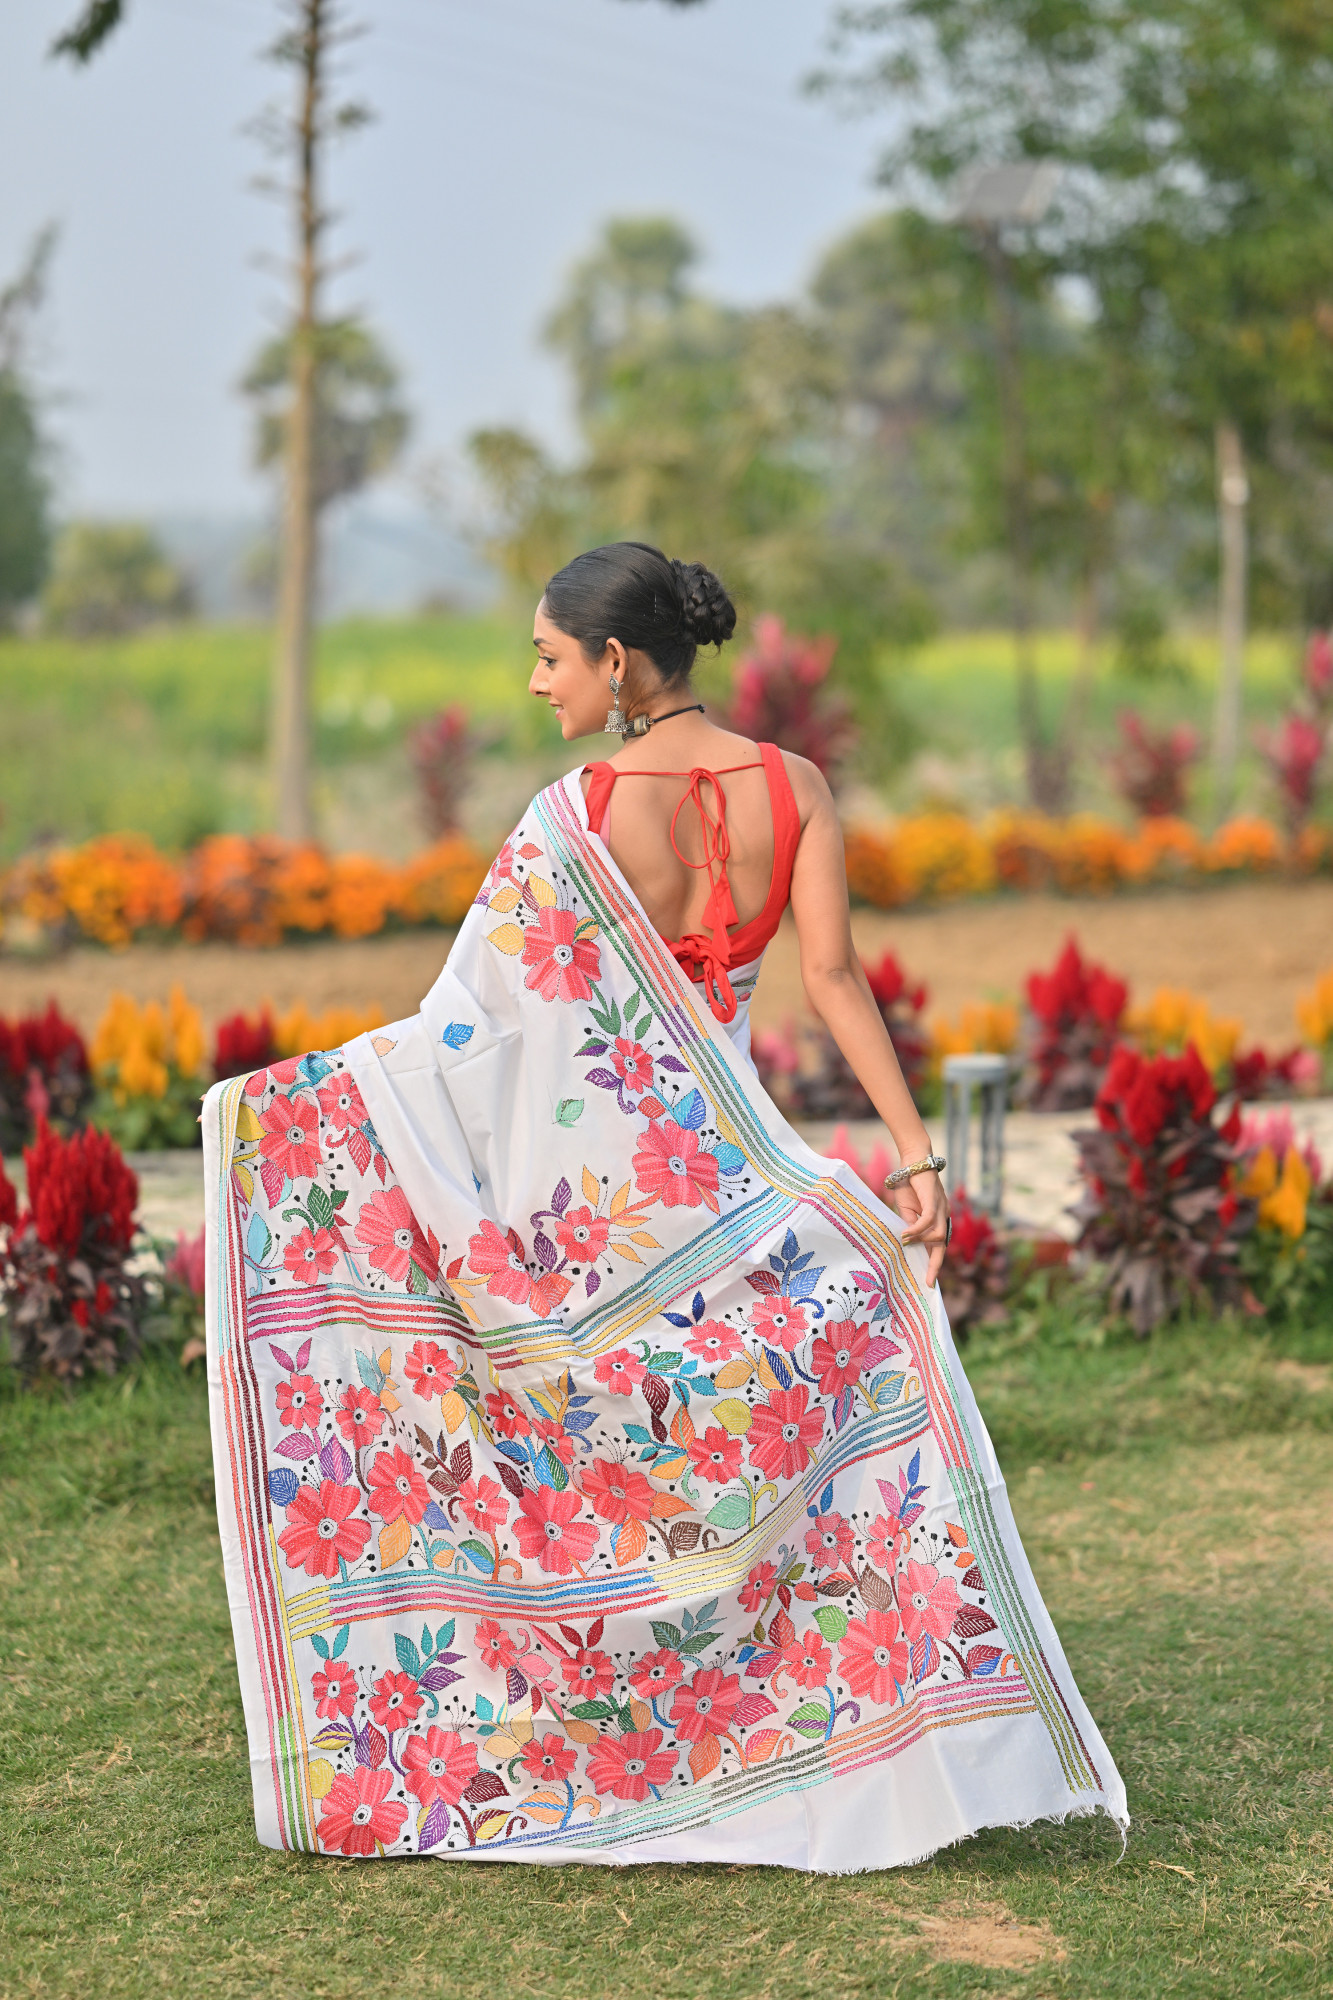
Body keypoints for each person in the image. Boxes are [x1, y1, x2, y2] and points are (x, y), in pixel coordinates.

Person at [204, 541, 1126, 1870]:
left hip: (598, 1211)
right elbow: (833, 979)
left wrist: (282, 1114)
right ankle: (808, 1705)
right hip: (729, 1187)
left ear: (616, 660)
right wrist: (915, 1159)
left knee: (587, 1450)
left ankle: (610, 1722)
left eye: (549, 657)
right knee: (760, 1434)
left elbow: (468, 1036)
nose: (537, 683)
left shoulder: (572, 819)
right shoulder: (794, 785)